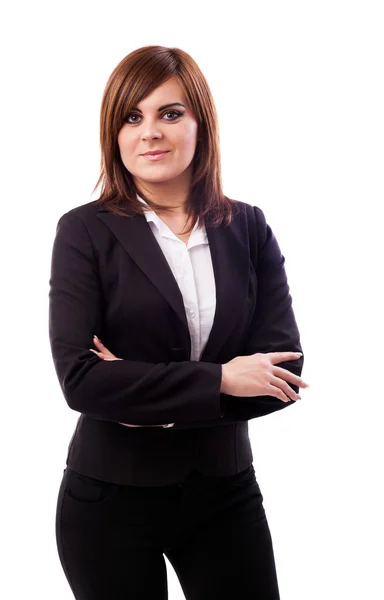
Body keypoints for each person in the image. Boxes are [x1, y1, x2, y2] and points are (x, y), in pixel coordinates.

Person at [49, 45, 308, 600]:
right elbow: (82, 380)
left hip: (225, 493)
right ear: (114, 135)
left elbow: (283, 373)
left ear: (200, 124)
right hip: (109, 499)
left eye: (170, 113)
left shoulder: (249, 227)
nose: (150, 133)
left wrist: (142, 401)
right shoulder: (83, 232)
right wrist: (219, 379)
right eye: (131, 117)